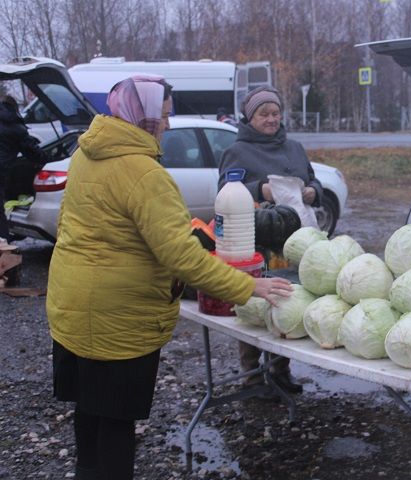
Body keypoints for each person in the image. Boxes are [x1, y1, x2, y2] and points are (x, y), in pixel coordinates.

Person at [46, 75, 292, 480]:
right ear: (141, 119)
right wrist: (250, 286)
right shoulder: (144, 174)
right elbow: (182, 258)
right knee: (116, 422)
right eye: (161, 116)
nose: (168, 124)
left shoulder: (87, 153)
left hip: (72, 304)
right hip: (117, 316)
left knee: (89, 409)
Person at [218, 86, 322, 394]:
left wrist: (313, 191)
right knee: (253, 303)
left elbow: (312, 177)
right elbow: (224, 189)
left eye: (275, 113)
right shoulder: (236, 151)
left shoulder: (294, 148)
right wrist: (257, 190)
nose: (271, 119)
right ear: (250, 118)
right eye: (264, 114)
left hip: (295, 240)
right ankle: (251, 375)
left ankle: (280, 369)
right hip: (256, 241)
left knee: (286, 299)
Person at [0, 95, 48, 240]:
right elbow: (32, 153)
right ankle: (3, 243)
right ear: (15, 109)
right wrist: (48, 159)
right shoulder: (16, 127)